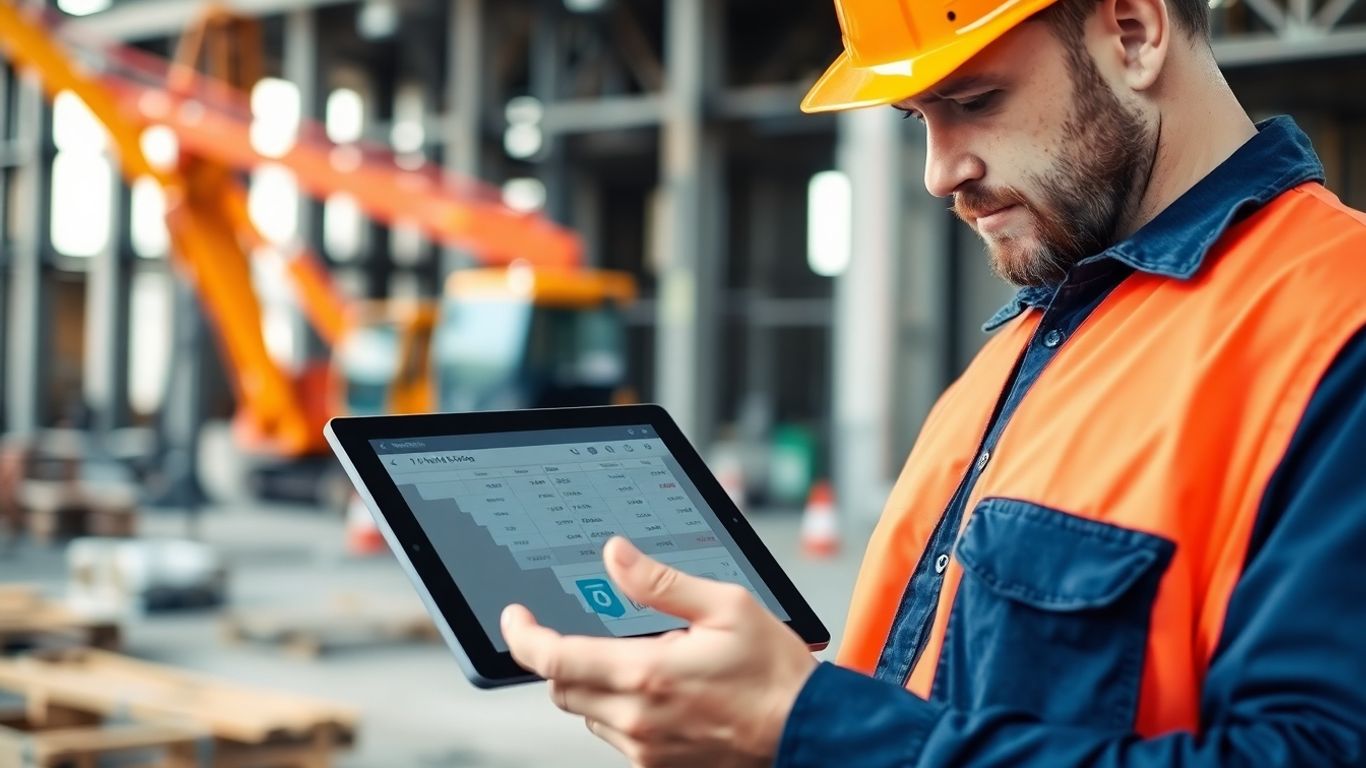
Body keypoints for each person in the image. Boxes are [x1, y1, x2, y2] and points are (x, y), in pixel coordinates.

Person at [501, 0, 1366, 763]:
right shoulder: (1030, 344)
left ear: (1133, 31)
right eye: (918, 116)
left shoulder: (1339, 328)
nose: (938, 172)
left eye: (973, 102)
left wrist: (808, 729)